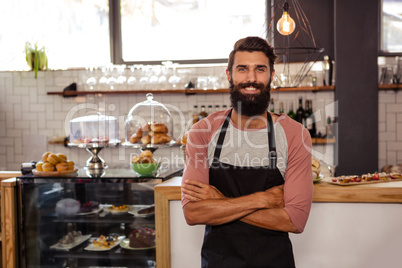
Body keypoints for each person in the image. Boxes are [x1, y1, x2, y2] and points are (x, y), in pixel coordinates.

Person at [181, 36, 313, 268]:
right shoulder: (202, 132)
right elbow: (193, 213)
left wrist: (221, 201)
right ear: (229, 74)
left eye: (260, 69)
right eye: (242, 69)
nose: (251, 78)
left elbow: (295, 220)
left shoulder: (295, 134)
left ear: (272, 75)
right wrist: (263, 199)